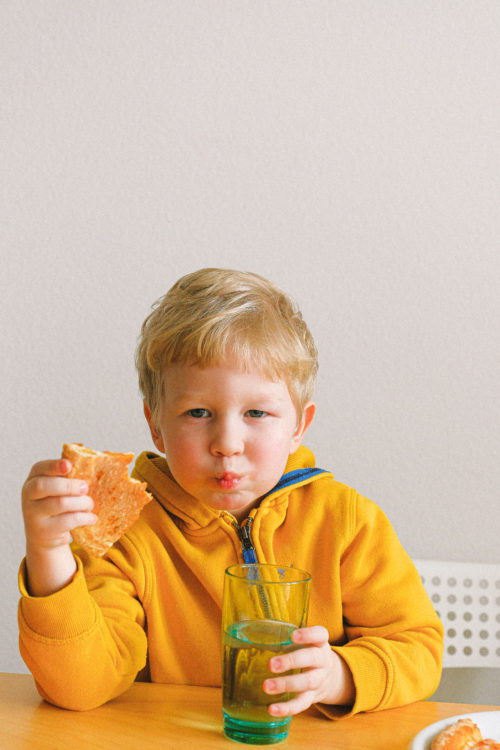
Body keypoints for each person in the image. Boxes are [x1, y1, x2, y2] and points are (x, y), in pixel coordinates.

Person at [19, 268, 443, 717]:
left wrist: (339, 675)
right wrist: (48, 553)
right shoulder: (129, 534)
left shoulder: (346, 522)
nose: (227, 442)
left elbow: (417, 647)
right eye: (198, 412)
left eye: (256, 412)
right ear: (155, 425)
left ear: (299, 426)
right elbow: (79, 687)